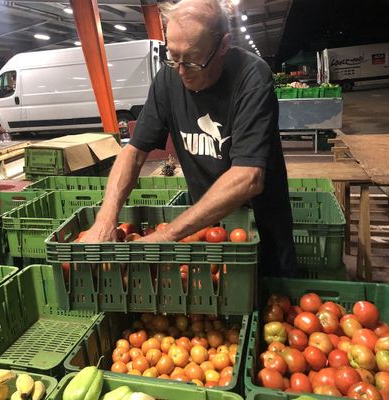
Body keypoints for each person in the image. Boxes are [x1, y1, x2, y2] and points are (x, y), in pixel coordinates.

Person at [82, 0, 296, 277]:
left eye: (192, 60)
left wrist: (166, 236)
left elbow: (248, 177)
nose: (180, 71)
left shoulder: (252, 77)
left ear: (223, 45)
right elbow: (133, 152)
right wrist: (105, 218)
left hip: (262, 228)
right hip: (208, 224)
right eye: (173, 57)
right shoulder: (168, 78)